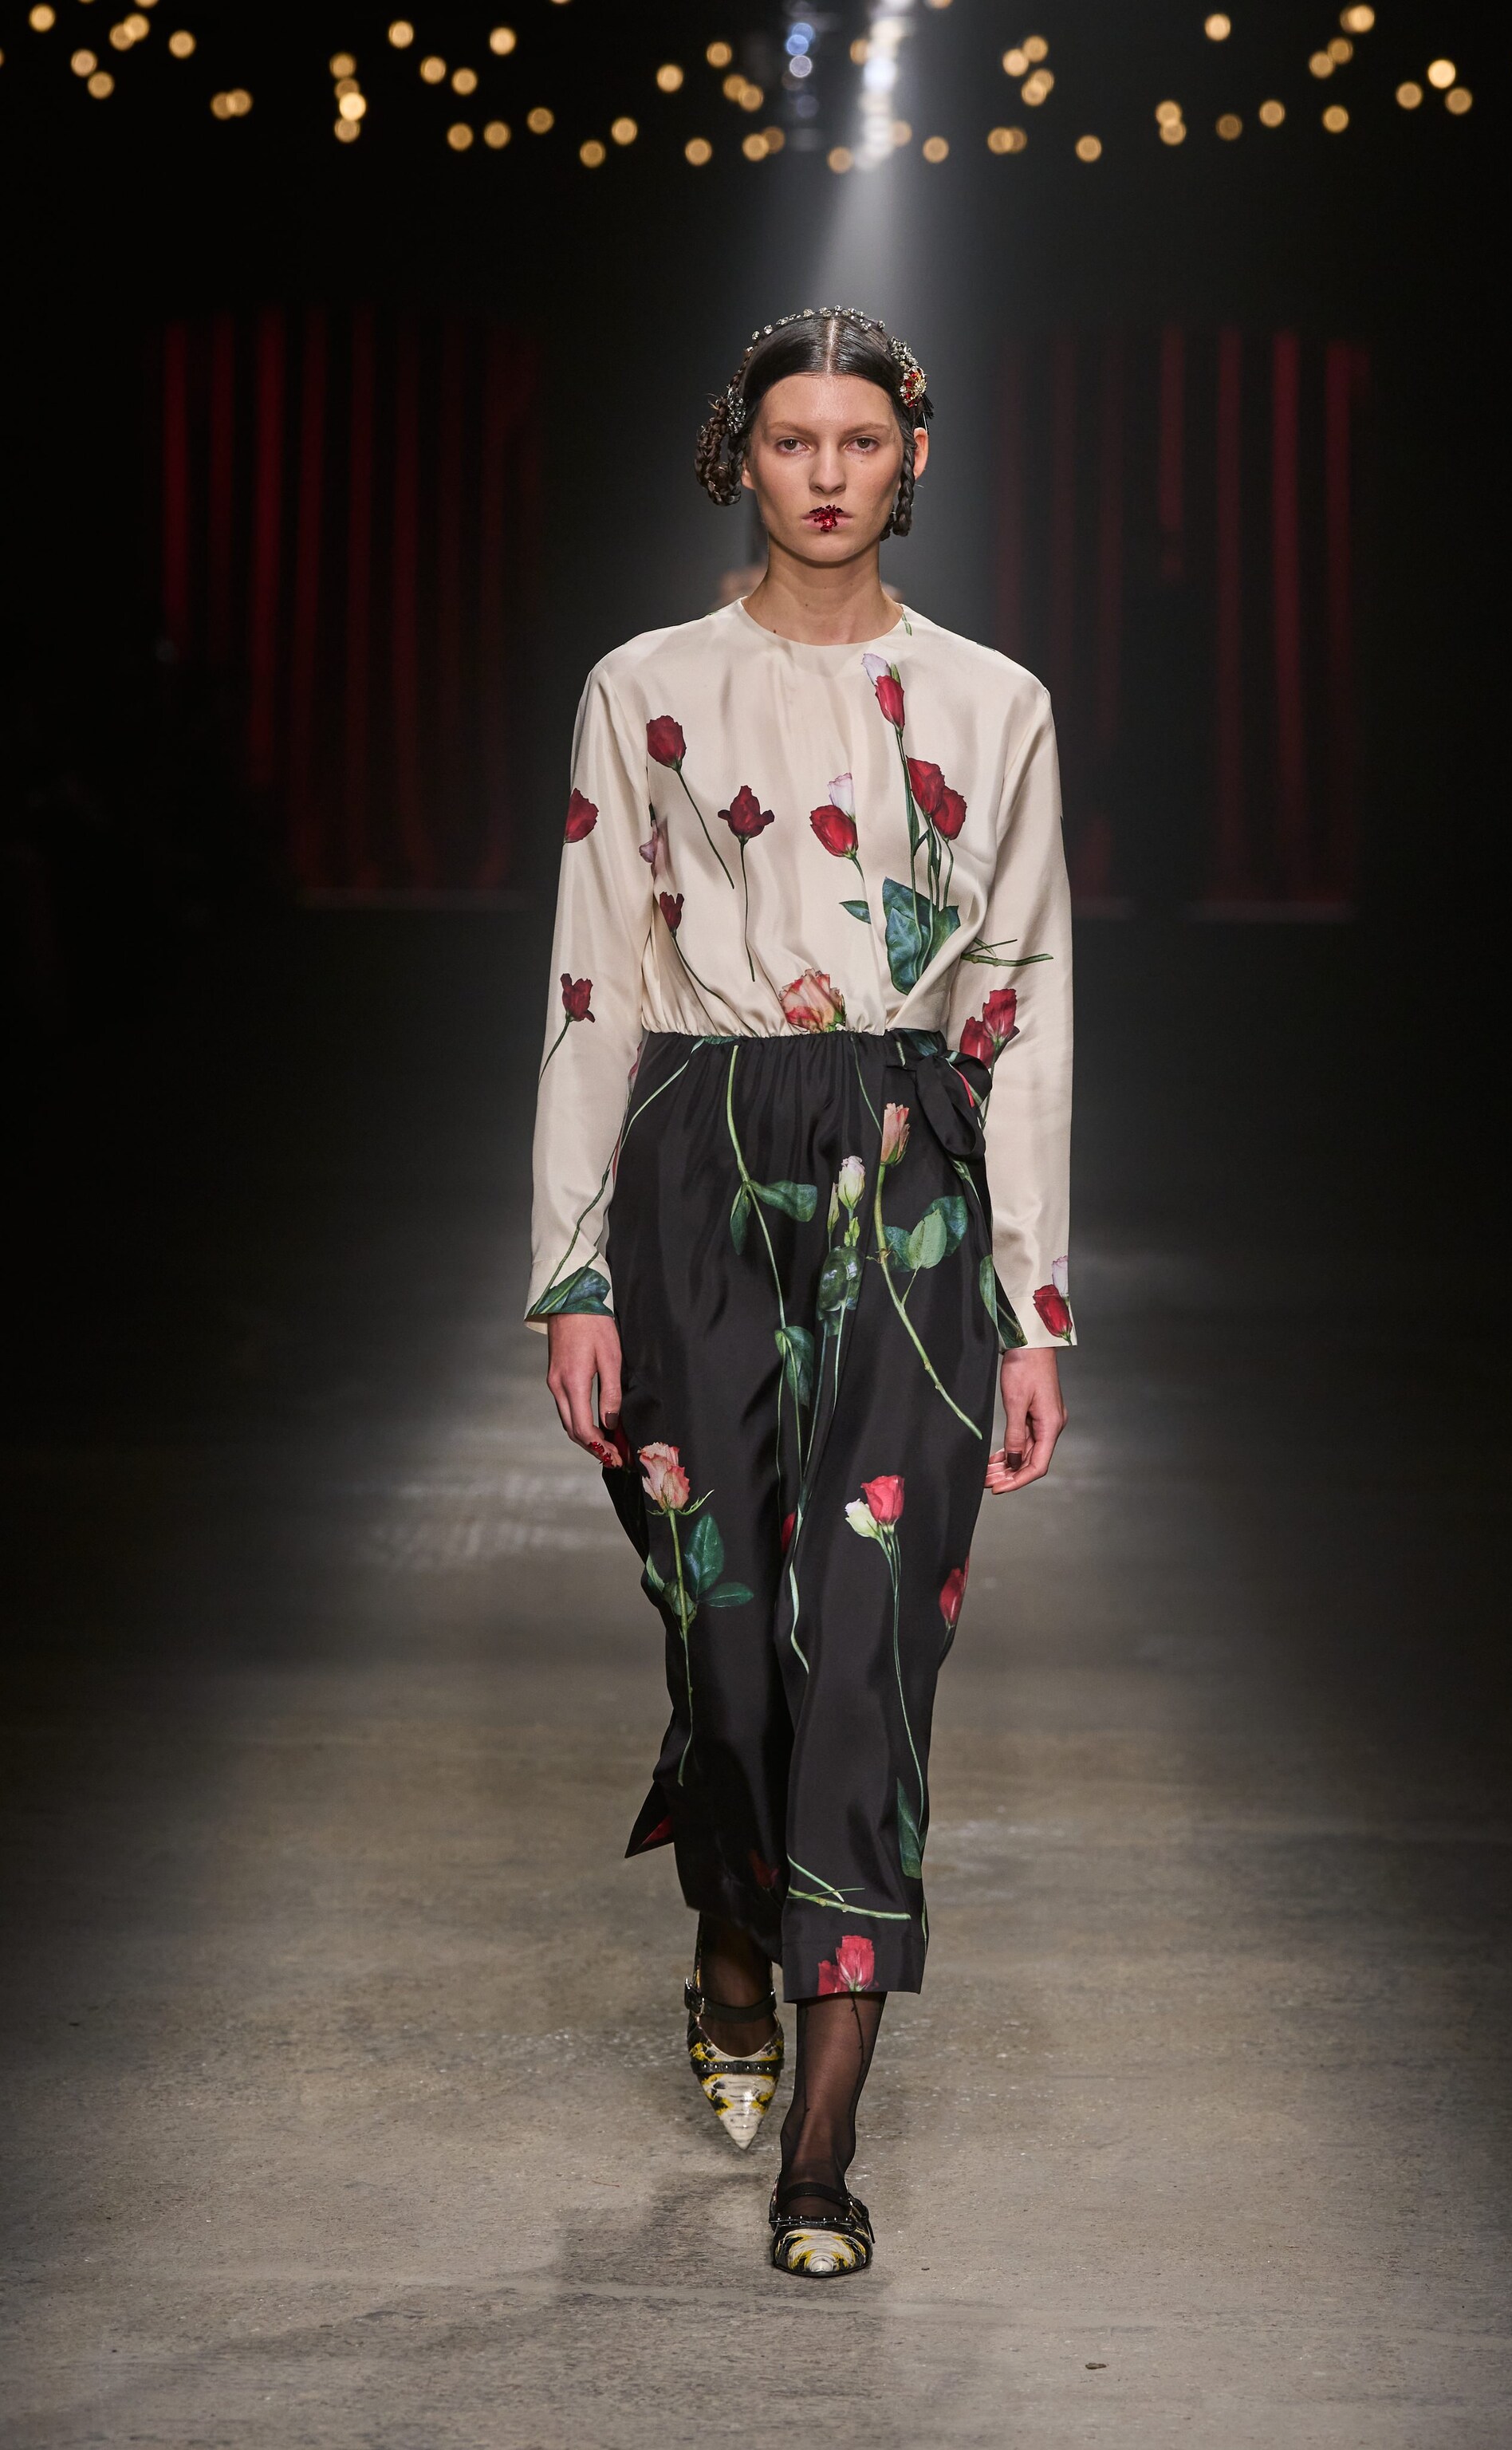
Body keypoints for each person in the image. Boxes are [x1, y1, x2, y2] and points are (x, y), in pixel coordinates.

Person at [527, 305, 1074, 2279]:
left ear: (909, 457)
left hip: (911, 1175)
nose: (826, 473)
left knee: (869, 1658)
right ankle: (729, 1937)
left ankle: (822, 2151)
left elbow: (1026, 1003)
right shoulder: (643, 687)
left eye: (859, 440)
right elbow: (593, 978)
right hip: (699, 1155)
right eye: (790, 439)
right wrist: (573, 1268)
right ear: (735, 456)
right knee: (729, 1642)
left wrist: (1033, 1302)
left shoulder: (993, 703)